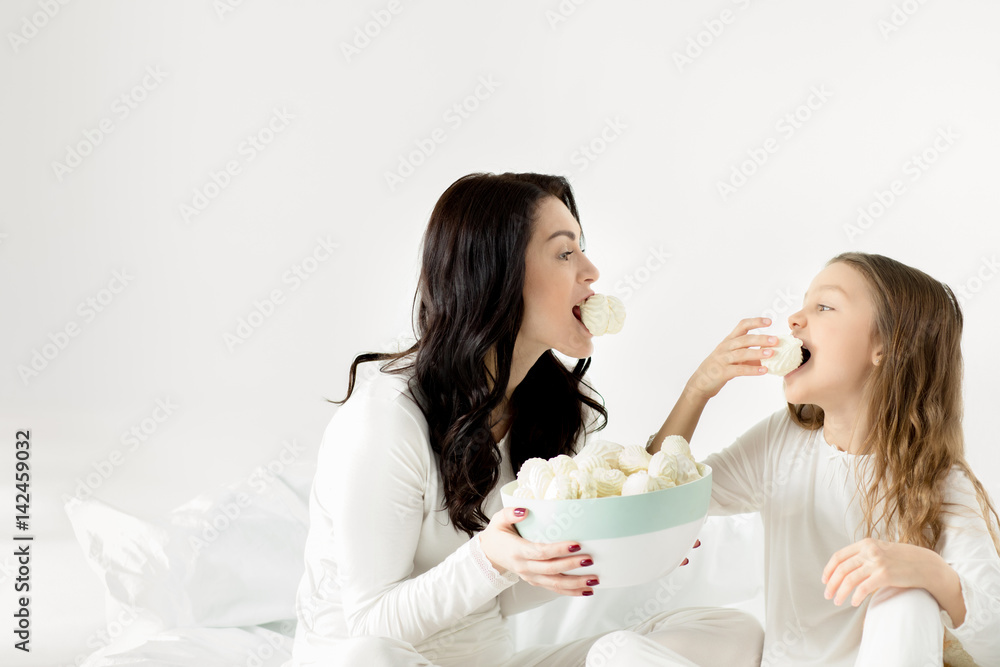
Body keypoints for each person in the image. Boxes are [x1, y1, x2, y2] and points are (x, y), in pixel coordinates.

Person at [284, 172, 764, 666]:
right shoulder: (386, 419)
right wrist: (489, 557)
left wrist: (622, 549)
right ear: (497, 275)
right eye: (565, 252)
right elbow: (371, 623)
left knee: (728, 632)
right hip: (375, 659)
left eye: (581, 249)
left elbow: (505, 595)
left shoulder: (552, 409)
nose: (591, 271)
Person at [646, 252, 1000, 666]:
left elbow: (994, 638)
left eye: (825, 307)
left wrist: (928, 571)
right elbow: (653, 503)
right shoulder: (782, 440)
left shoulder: (938, 479)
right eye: (804, 305)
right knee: (615, 650)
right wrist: (697, 391)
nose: (795, 319)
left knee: (908, 599)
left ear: (886, 346)